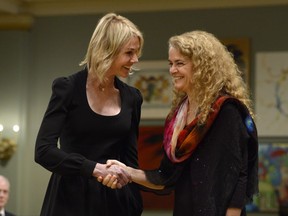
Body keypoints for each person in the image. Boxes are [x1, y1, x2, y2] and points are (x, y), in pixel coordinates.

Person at [100, 30, 259, 216]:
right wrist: (125, 171)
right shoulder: (178, 116)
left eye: (180, 63)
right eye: (171, 64)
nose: (172, 70)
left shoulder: (226, 111)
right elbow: (165, 177)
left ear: (202, 67)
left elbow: (240, 175)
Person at [34, 12, 144, 216]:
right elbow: (43, 151)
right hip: (69, 200)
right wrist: (95, 169)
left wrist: (134, 203)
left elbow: (131, 160)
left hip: (115, 201)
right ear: (107, 49)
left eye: (137, 53)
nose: (135, 60)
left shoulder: (132, 97)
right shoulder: (67, 88)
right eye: (129, 53)